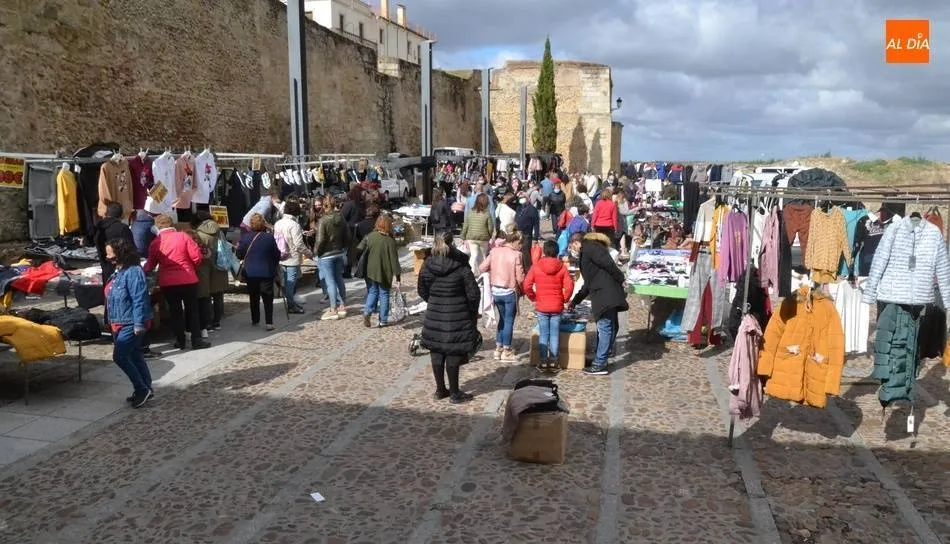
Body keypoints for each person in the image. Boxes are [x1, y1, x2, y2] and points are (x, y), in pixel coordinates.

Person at [418, 231, 480, 404]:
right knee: (453, 350)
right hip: (457, 313)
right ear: (452, 243)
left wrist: (434, 301)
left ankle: (440, 390)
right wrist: (471, 312)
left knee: (436, 350)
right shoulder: (460, 265)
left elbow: (421, 290)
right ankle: (454, 392)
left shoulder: (428, 264)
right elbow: (473, 294)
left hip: (435, 314)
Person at [144, 214, 210, 350]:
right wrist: (191, 266)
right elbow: (196, 257)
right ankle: (196, 340)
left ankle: (180, 341)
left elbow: (149, 265)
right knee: (192, 310)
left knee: (175, 311)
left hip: (168, 282)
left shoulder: (156, 242)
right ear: (171, 224)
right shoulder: (183, 236)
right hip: (188, 278)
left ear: (157, 226)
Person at [567, 232, 629, 375]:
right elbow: (588, 283)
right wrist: (575, 301)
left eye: (572, 246)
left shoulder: (590, 248)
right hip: (607, 293)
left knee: (605, 326)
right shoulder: (589, 250)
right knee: (610, 325)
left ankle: (599, 364)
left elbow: (608, 265)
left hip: (605, 295)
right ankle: (601, 357)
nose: (572, 249)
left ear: (576, 242)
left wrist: (621, 278)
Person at [104, 237, 154, 408]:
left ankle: (141, 389)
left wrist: (138, 324)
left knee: (120, 356)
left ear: (120, 253)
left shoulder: (133, 272)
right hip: (119, 321)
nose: (107, 258)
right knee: (134, 355)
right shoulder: (118, 271)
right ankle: (146, 388)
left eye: (110, 254)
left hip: (130, 322)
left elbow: (139, 298)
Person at [524, 239, 575, 372]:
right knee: (554, 334)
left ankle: (542, 361)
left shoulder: (536, 267)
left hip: (542, 305)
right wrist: (564, 299)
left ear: (544, 252)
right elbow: (570, 285)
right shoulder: (562, 267)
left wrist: (533, 297)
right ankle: (553, 360)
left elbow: (526, 285)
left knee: (544, 334)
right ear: (557, 252)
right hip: (557, 305)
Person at [479, 230, 525, 362]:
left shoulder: (495, 251)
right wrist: (523, 289)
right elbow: (520, 278)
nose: (521, 246)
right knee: (509, 321)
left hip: (495, 291)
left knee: (502, 319)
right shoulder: (517, 255)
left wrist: (492, 271)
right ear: (515, 241)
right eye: (520, 243)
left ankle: (498, 348)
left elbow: (482, 267)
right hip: (509, 291)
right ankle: (507, 350)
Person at [236, 213, 281, 330]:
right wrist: (274, 264)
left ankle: (255, 319)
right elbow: (277, 255)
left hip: (250, 272)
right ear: (263, 224)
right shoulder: (269, 238)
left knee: (253, 296)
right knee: (267, 297)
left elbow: (239, 254)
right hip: (266, 271)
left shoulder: (245, 237)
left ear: (251, 224)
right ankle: (269, 322)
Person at [94, 203, 135, 325]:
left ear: (106, 213)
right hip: (122, 268)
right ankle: (121, 322)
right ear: (121, 214)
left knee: (109, 294)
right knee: (122, 295)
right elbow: (131, 248)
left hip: (105, 266)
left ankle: (110, 322)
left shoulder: (99, 228)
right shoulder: (122, 228)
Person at [358, 214, 401, 328]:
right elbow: (394, 261)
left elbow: (359, 248)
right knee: (384, 294)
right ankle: (383, 320)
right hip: (385, 272)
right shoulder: (390, 241)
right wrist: (398, 277)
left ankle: (367, 311)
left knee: (373, 292)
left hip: (371, 270)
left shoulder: (370, 236)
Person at [315, 194, 349, 320]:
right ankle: (343, 306)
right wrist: (342, 248)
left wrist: (316, 252)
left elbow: (320, 240)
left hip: (326, 254)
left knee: (330, 281)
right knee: (339, 279)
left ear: (324, 206)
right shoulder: (341, 218)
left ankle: (333, 308)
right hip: (338, 252)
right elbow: (347, 235)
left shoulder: (323, 220)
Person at [193, 211, 228, 330]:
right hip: (219, 264)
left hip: (204, 267)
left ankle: (206, 322)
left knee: (205, 296)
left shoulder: (198, 234)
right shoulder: (220, 232)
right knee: (218, 295)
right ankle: (217, 321)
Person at [274, 201, 311, 314]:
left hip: (281, 256)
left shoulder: (278, 223)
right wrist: (309, 253)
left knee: (287, 282)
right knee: (291, 283)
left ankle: (291, 303)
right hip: (292, 258)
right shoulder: (294, 225)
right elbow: (299, 244)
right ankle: (291, 305)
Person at [461, 193, 494, 275]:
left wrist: (463, 237)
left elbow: (466, 225)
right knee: (483, 256)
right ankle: (483, 274)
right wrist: (491, 236)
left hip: (471, 237)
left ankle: (471, 273)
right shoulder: (487, 214)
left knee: (473, 255)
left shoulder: (470, 212)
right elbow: (490, 228)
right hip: (483, 238)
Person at [341, 186, 366, 278]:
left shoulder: (349, 204)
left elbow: (342, 217)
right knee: (358, 251)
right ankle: (362, 271)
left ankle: (348, 272)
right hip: (358, 230)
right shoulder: (360, 204)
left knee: (350, 253)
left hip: (350, 231)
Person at [515, 196, 541, 270]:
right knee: (518, 252)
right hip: (517, 233)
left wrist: (535, 237)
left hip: (527, 234)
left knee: (525, 252)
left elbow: (536, 224)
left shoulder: (533, 210)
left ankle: (528, 269)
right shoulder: (519, 207)